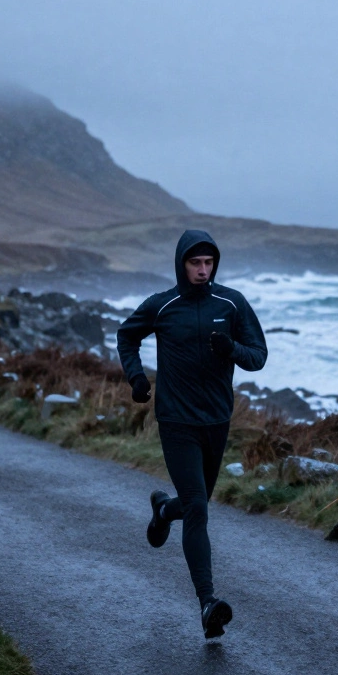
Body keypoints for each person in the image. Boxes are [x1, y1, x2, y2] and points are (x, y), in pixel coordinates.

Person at [116, 230, 268, 639]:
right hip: (176, 420)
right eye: (195, 263)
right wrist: (136, 378)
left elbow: (259, 356)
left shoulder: (231, 303)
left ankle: (164, 510)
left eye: (209, 263)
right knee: (199, 508)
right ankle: (207, 603)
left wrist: (231, 349)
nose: (203, 271)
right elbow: (126, 336)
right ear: (181, 263)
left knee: (193, 503)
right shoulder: (162, 305)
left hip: (217, 420)